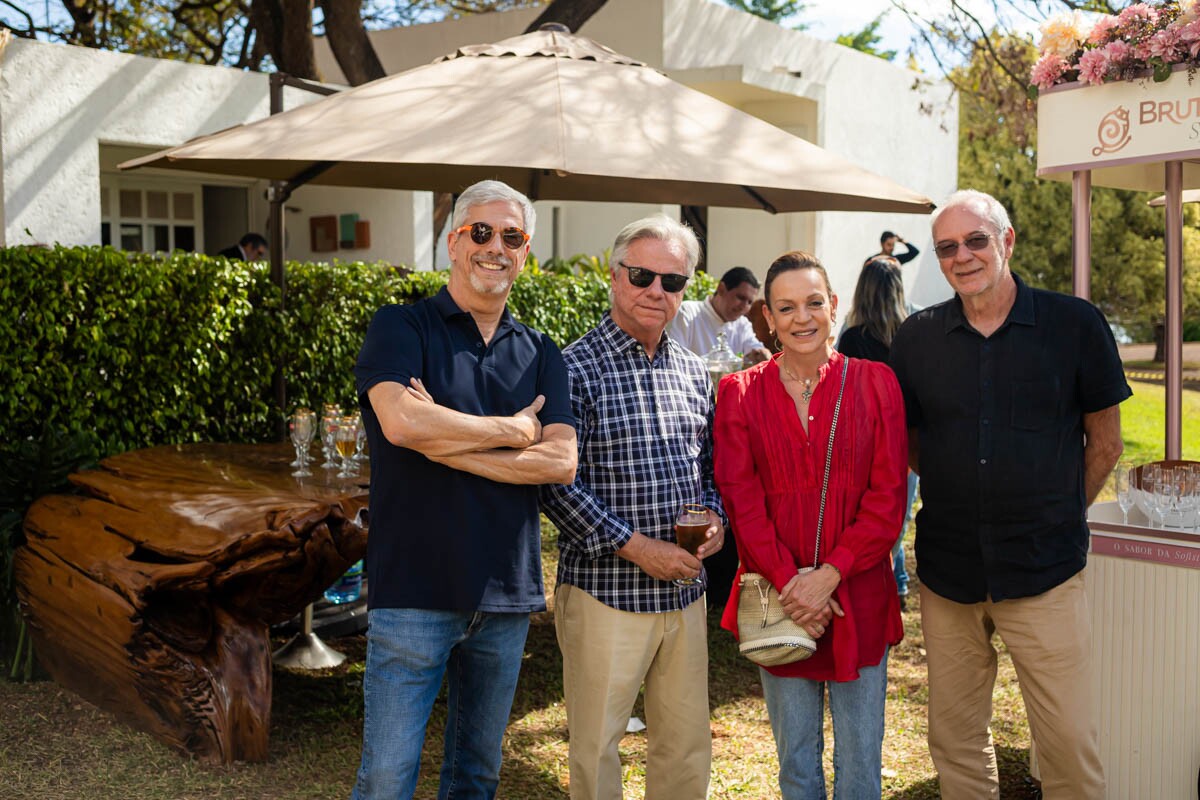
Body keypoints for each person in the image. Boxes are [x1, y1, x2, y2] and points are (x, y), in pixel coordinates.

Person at [889, 189, 1129, 800]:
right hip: (949, 571)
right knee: (954, 739)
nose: (962, 256)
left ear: (1007, 241)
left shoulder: (1075, 325)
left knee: (1069, 741)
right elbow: (914, 442)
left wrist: (1054, 509)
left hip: (1045, 568)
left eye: (976, 240)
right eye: (947, 247)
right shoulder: (916, 338)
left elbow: (1105, 443)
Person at [350, 180, 578, 800]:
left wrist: (441, 442)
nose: (495, 247)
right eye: (481, 232)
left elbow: (559, 461)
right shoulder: (401, 326)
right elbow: (400, 421)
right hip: (413, 591)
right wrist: (510, 431)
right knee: (387, 780)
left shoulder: (541, 350)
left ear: (526, 251)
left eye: (512, 236)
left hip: (505, 596)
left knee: (477, 778)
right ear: (453, 242)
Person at [540, 214, 726, 800]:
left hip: (684, 593)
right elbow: (553, 484)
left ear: (685, 291)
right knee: (597, 748)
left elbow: (710, 470)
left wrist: (715, 516)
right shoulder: (571, 368)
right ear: (614, 275)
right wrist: (639, 548)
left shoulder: (695, 373)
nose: (656, 291)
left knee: (685, 743)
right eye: (643, 275)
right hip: (606, 592)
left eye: (672, 282)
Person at [715, 250, 907, 800]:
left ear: (834, 306)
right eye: (787, 307)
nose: (803, 318)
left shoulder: (877, 384)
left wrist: (827, 577)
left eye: (814, 303)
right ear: (768, 319)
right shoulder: (739, 393)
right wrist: (793, 584)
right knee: (796, 765)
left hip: (859, 597)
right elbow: (741, 499)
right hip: (778, 602)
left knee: (861, 767)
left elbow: (888, 498)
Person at [837, 256, 919, 610]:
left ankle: (890, 587)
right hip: (909, 443)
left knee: (872, 520)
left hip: (865, 446)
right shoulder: (914, 334)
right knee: (897, 520)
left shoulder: (853, 338)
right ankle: (896, 585)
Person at [669, 265, 773, 365]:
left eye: (750, 302)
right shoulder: (687, 313)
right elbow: (675, 359)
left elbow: (755, 349)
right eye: (740, 297)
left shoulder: (742, 324)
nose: (744, 307)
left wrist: (762, 354)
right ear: (721, 289)